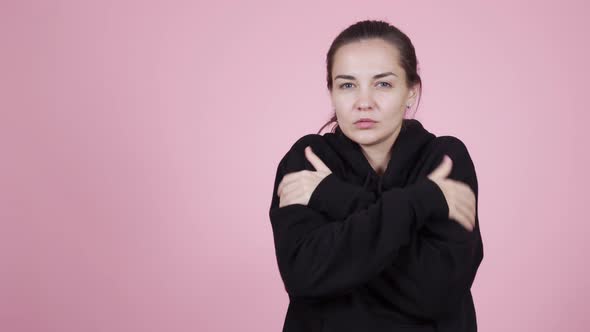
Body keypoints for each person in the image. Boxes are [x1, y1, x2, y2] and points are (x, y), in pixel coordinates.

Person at [268, 19, 483, 332]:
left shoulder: (445, 160)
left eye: (383, 84)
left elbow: (437, 292)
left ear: (411, 91)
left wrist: (334, 196)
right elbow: (305, 276)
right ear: (331, 92)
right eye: (347, 85)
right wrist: (419, 201)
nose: (363, 102)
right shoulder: (308, 160)